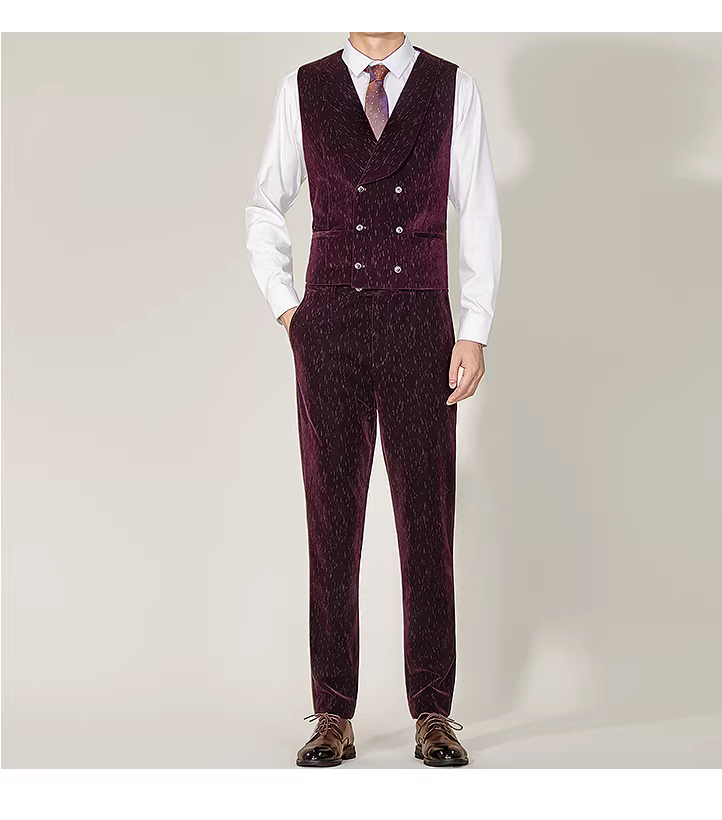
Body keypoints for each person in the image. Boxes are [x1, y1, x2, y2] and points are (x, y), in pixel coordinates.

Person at [245, 31, 502, 768]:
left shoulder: (452, 87)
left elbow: (479, 210)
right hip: (329, 320)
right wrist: (289, 308)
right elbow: (265, 204)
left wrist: (474, 327)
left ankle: (434, 711)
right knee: (330, 516)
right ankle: (333, 711)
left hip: (422, 318)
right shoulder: (304, 87)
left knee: (428, 517)